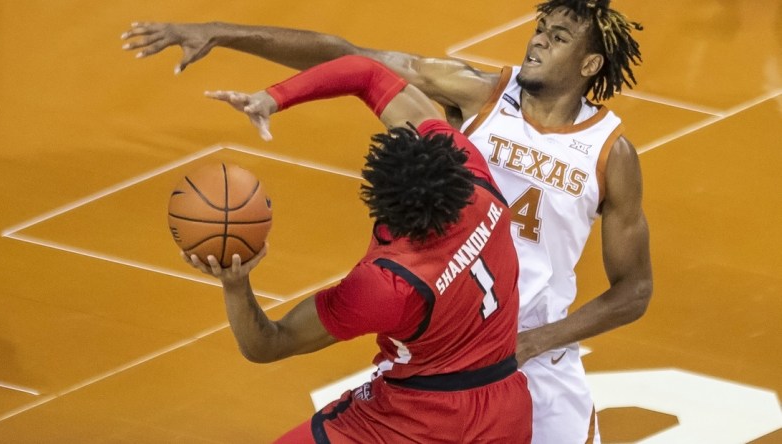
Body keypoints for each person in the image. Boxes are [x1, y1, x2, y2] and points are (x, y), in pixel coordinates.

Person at [123, 0, 653, 441]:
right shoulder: (479, 93)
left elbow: (634, 291)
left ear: (589, 66)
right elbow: (353, 58)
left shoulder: (610, 154)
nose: (536, 41)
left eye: (558, 37)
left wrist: (540, 340)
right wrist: (220, 33)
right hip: (443, 333)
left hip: (530, 355)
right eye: (539, 28)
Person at [187, 54, 532, 442]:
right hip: (505, 407)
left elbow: (268, 343)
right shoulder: (471, 175)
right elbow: (368, 75)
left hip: (419, 418)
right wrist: (274, 97)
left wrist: (235, 283)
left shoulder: (387, 284)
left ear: (383, 204)